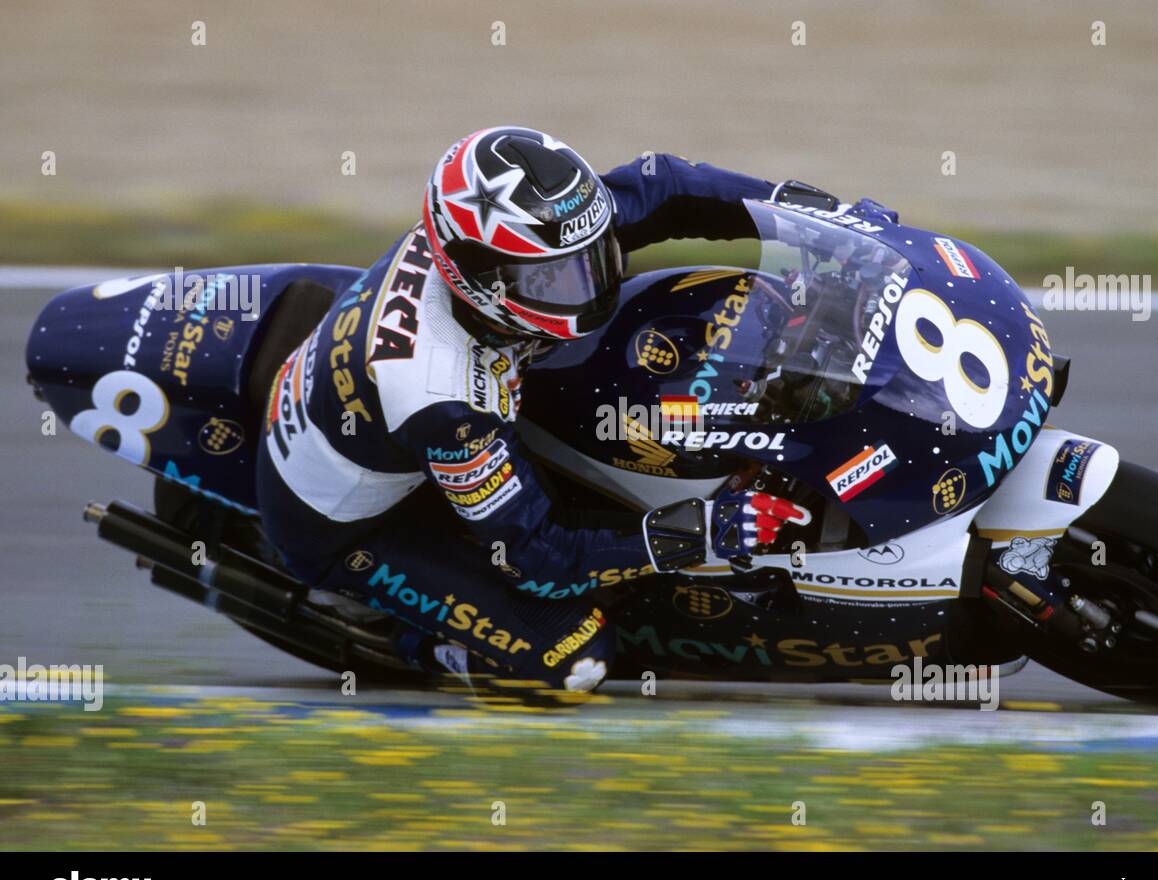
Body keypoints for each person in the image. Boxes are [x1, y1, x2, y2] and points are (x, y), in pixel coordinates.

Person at [256, 126, 876, 691]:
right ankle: (416, 642)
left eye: (596, 257)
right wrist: (707, 531)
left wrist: (827, 221)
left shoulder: (529, 236)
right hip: (347, 523)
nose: (592, 284)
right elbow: (534, 557)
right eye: (559, 281)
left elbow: (667, 185)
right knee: (574, 659)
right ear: (484, 281)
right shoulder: (443, 399)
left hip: (385, 398)